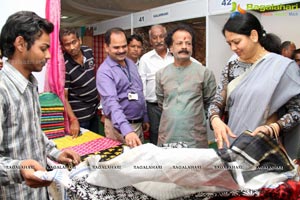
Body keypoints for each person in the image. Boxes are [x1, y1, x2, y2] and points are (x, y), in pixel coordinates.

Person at [0, 11, 81, 199]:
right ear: (20, 44)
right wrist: (19, 169)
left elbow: (33, 133)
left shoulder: (30, 85)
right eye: (43, 48)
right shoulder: (2, 91)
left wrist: (56, 153)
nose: (48, 55)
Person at [208, 12, 300, 153]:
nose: (233, 48)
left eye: (237, 42)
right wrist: (215, 119)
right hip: (233, 142)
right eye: (229, 43)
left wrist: (272, 128)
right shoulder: (232, 64)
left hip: (265, 147)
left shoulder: (283, 67)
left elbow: (297, 111)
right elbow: (218, 100)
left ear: (254, 35)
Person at [156, 24, 216, 147]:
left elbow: (210, 103)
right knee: (169, 166)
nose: (184, 47)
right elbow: (162, 103)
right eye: (179, 43)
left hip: (194, 138)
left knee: (196, 166)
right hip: (168, 136)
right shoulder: (161, 74)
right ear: (171, 48)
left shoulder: (204, 73)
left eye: (188, 43)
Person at [139, 24, 199, 145]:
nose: (159, 40)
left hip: (175, 104)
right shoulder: (145, 59)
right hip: (154, 106)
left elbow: (195, 64)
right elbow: (142, 87)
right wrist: (144, 112)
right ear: (150, 41)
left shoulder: (176, 54)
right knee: (155, 134)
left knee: (176, 133)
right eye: (155, 38)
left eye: (162, 36)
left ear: (167, 38)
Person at [96, 27, 149, 148]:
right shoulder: (105, 72)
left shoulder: (130, 63)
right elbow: (111, 103)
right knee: (122, 165)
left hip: (137, 124)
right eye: (116, 47)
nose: (121, 50)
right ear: (106, 47)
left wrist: (144, 116)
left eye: (124, 46)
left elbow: (139, 91)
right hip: (119, 128)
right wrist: (127, 131)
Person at [59, 28, 100, 137]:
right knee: (85, 148)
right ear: (63, 47)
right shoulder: (64, 65)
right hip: (80, 117)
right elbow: (64, 97)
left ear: (80, 40)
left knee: (97, 143)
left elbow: (92, 74)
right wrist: (73, 119)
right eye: (67, 45)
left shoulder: (88, 51)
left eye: (74, 42)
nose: (72, 47)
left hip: (94, 110)